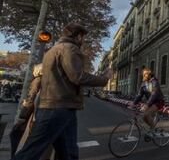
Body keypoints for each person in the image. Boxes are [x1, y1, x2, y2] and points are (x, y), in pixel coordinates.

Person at [14, 23, 111, 160]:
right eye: (82, 37)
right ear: (78, 36)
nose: (82, 41)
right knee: (31, 151)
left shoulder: (52, 51)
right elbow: (78, 76)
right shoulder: (70, 49)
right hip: (58, 107)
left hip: (60, 107)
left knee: (68, 152)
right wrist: (104, 79)